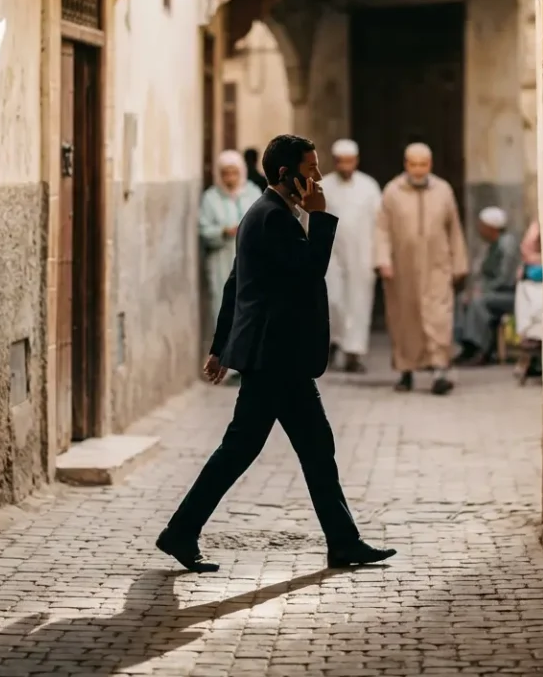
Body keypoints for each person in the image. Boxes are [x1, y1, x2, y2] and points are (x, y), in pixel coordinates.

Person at [156, 134, 397, 573]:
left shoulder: (270, 212)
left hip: (278, 358)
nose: (318, 177)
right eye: (311, 169)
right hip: (274, 360)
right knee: (243, 450)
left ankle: (343, 541)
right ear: (287, 175)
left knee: (313, 447)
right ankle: (181, 531)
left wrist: (219, 348)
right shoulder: (272, 218)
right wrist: (321, 218)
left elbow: (236, 284)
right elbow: (307, 275)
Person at [374, 143, 468, 395]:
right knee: (405, 320)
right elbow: (381, 229)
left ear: (430, 165)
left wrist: (459, 263)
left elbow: (454, 229)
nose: (418, 170)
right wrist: (383, 259)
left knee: (438, 316)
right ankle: (406, 371)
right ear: (406, 165)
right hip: (402, 269)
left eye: (423, 164)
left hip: (437, 266)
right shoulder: (392, 192)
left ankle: (439, 370)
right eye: (413, 164)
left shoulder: (443, 191)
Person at [320, 139, 383, 373]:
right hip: (332, 254)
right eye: (341, 162)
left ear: (356, 161)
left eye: (350, 161)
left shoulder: (369, 186)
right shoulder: (323, 185)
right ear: (335, 162)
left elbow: (380, 221)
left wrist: (380, 255)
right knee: (332, 299)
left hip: (362, 253)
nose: (345, 166)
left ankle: (353, 353)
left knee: (359, 303)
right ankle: (334, 342)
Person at [200, 150, 263, 341]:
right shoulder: (211, 198)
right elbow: (204, 229)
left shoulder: (253, 193)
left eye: (234, 173)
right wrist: (223, 232)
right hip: (222, 261)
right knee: (224, 308)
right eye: (225, 173)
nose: (230, 178)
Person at [454, 206, 522, 366]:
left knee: (479, 302)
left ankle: (481, 348)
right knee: (462, 299)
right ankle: (467, 346)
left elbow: (506, 279)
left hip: (509, 294)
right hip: (493, 292)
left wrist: (482, 291)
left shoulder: (507, 245)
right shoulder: (491, 245)